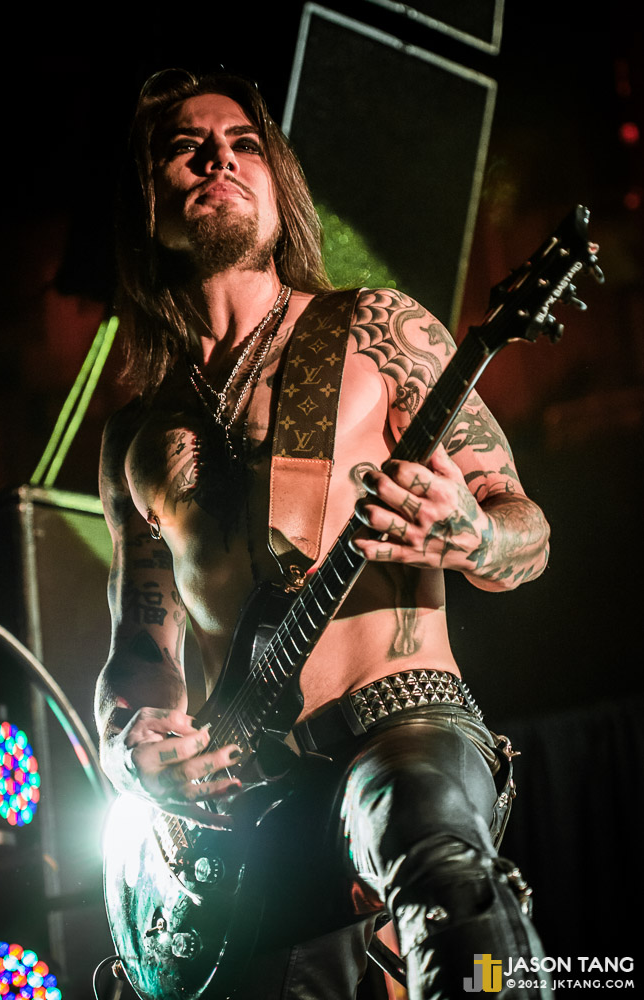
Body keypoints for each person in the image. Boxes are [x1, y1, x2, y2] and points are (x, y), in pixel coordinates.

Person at [95, 68, 552, 1000]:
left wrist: (470, 534)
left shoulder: (374, 328)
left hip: (398, 724)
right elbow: (141, 647)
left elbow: (528, 534)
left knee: (429, 849)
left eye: (244, 143)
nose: (219, 158)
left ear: (279, 185)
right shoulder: (135, 434)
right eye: (186, 148)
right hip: (245, 790)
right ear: (146, 202)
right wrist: (126, 747)